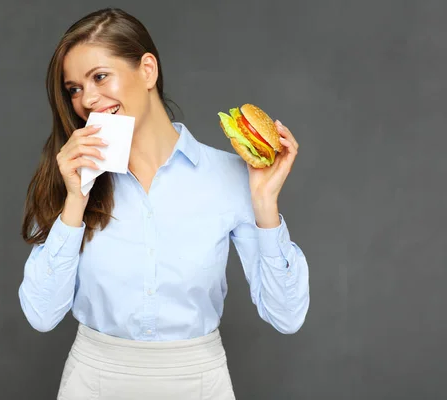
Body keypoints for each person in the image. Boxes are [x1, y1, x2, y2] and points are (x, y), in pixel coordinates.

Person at [18, 7, 310, 400]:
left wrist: (264, 204)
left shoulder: (229, 176)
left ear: (148, 70)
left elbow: (287, 316)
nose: (86, 99)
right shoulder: (71, 177)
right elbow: (41, 315)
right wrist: (75, 199)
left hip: (199, 382)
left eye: (100, 77)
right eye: (73, 88)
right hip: (94, 383)